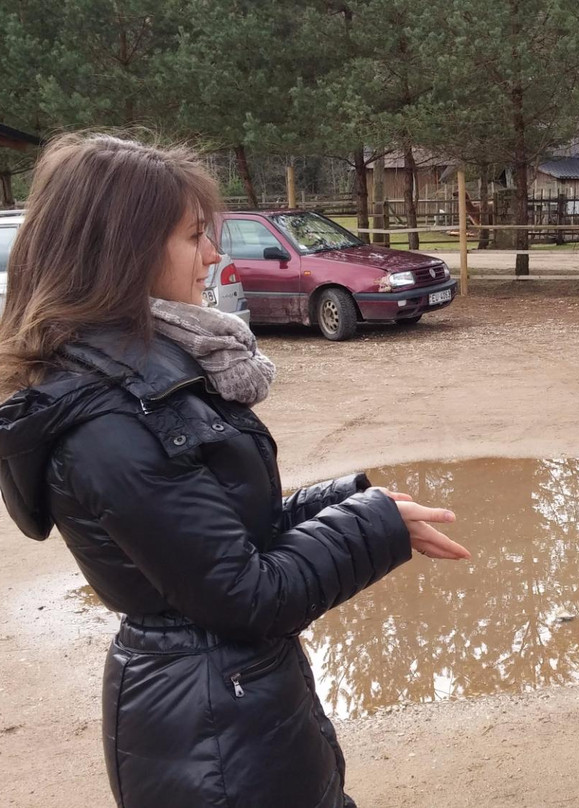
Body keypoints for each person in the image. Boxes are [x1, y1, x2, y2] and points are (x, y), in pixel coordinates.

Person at [0, 133, 470, 808]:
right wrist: (374, 528)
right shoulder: (110, 424)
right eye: (195, 237)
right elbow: (245, 594)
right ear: (123, 249)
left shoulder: (145, 383)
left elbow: (224, 532)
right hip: (213, 738)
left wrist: (353, 501)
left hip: (231, 707)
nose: (214, 256)